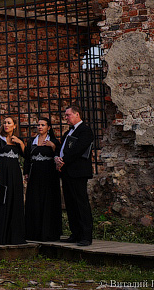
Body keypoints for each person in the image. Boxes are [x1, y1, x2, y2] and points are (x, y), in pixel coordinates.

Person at [54, 104, 94, 246]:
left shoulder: (85, 130)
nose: (66, 118)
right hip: (67, 172)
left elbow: (78, 149)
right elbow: (61, 149)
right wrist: (57, 158)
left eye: (68, 115)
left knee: (80, 203)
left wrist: (63, 161)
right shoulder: (68, 133)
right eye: (65, 116)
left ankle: (86, 235)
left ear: (77, 114)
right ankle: (75, 233)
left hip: (78, 172)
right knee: (70, 203)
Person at [0, 115, 26, 245]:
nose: (6, 125)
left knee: (15, 200)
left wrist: (21, 143)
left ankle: (14, 236)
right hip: (2, 173)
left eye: (9, 123)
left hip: (15, 174)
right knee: (1, 201)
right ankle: (0, 236)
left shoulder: (17, 140)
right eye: (4, 123)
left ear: (14, 126)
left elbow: (26, 156)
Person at [24, 116, 62, 241]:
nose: (40, 127)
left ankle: (49, 232)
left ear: (48, 127)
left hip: (49, 175)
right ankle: (33, 232)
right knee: (35, 201)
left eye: (43, 125)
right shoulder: (31, 141)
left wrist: (53, 147)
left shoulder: (54, 141)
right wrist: (26, 173)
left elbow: (60, 155)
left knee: (48, 201)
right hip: (35, 175)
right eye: (38, 125)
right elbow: (27, 159)